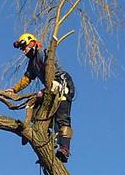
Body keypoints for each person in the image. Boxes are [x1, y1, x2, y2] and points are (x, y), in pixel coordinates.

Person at [6, 33, 75, 163]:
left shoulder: (43, 53)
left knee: (62, 117)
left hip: (61, 83)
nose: (23, 51)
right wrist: (14, 89)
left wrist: (44, 91)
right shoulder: (32, 63)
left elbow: (51, 70)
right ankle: (47, 138)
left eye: (24, 47)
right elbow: (27, 78)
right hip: (51, 88)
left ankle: (64, 148)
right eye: (22, 49)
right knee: (36, 110)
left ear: (32, 43)